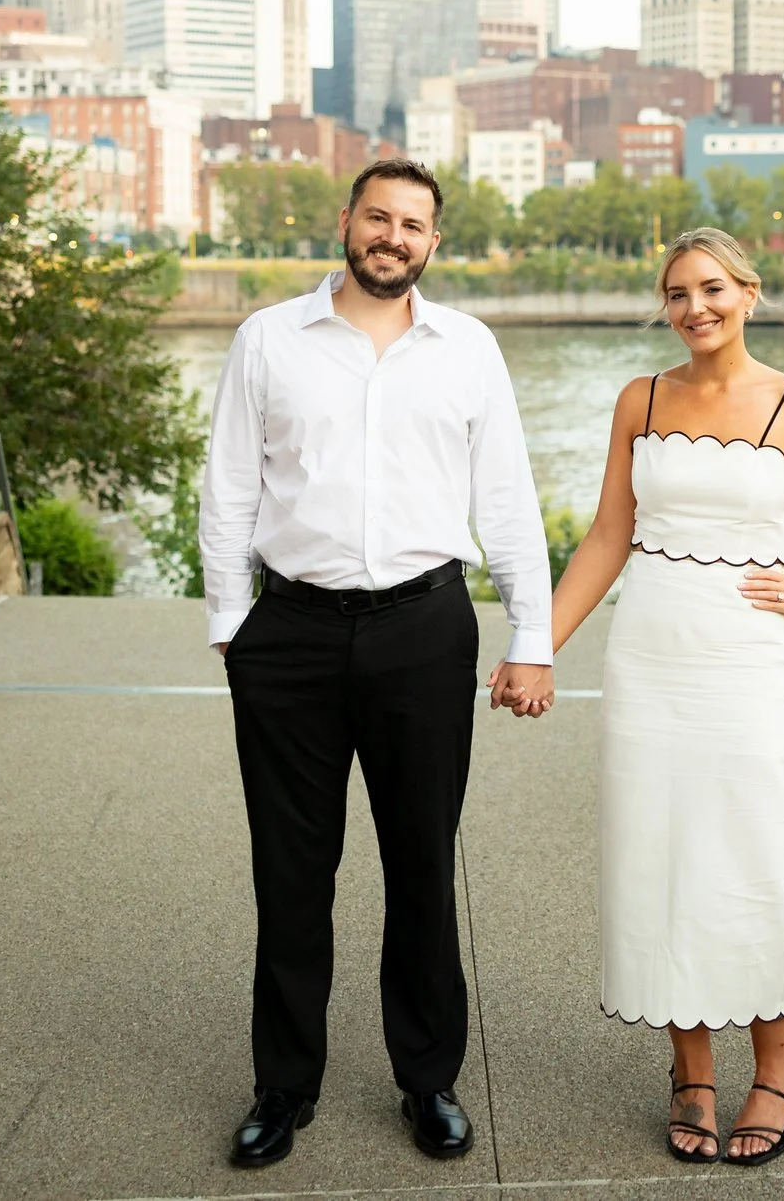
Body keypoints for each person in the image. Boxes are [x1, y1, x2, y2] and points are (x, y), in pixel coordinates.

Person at [492, 227, 784, 1167]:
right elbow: (608, 535)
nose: (696, 308)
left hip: (751, 662)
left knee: (750, 853)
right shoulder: (639, 398)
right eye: (678, 293)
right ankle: (691, 1069)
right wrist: (536, 649)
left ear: (750, 292)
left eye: (713, 288)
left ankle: (778, 1064)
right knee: (658, 854)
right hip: (651, 658)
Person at [198, 156, 555, 1170]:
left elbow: (508, 503)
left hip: (424, 628)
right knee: (291, 871)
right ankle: (282, 1085)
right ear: (345, 221)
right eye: (378, 216)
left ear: (433, 242)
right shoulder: (268, 338)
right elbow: (226, 485)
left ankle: (427, 1078)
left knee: (421, 866)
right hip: (293, 634)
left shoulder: (469, 350)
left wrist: (531, 636)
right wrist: (233, 620)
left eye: (414, 223)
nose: (393, 235)